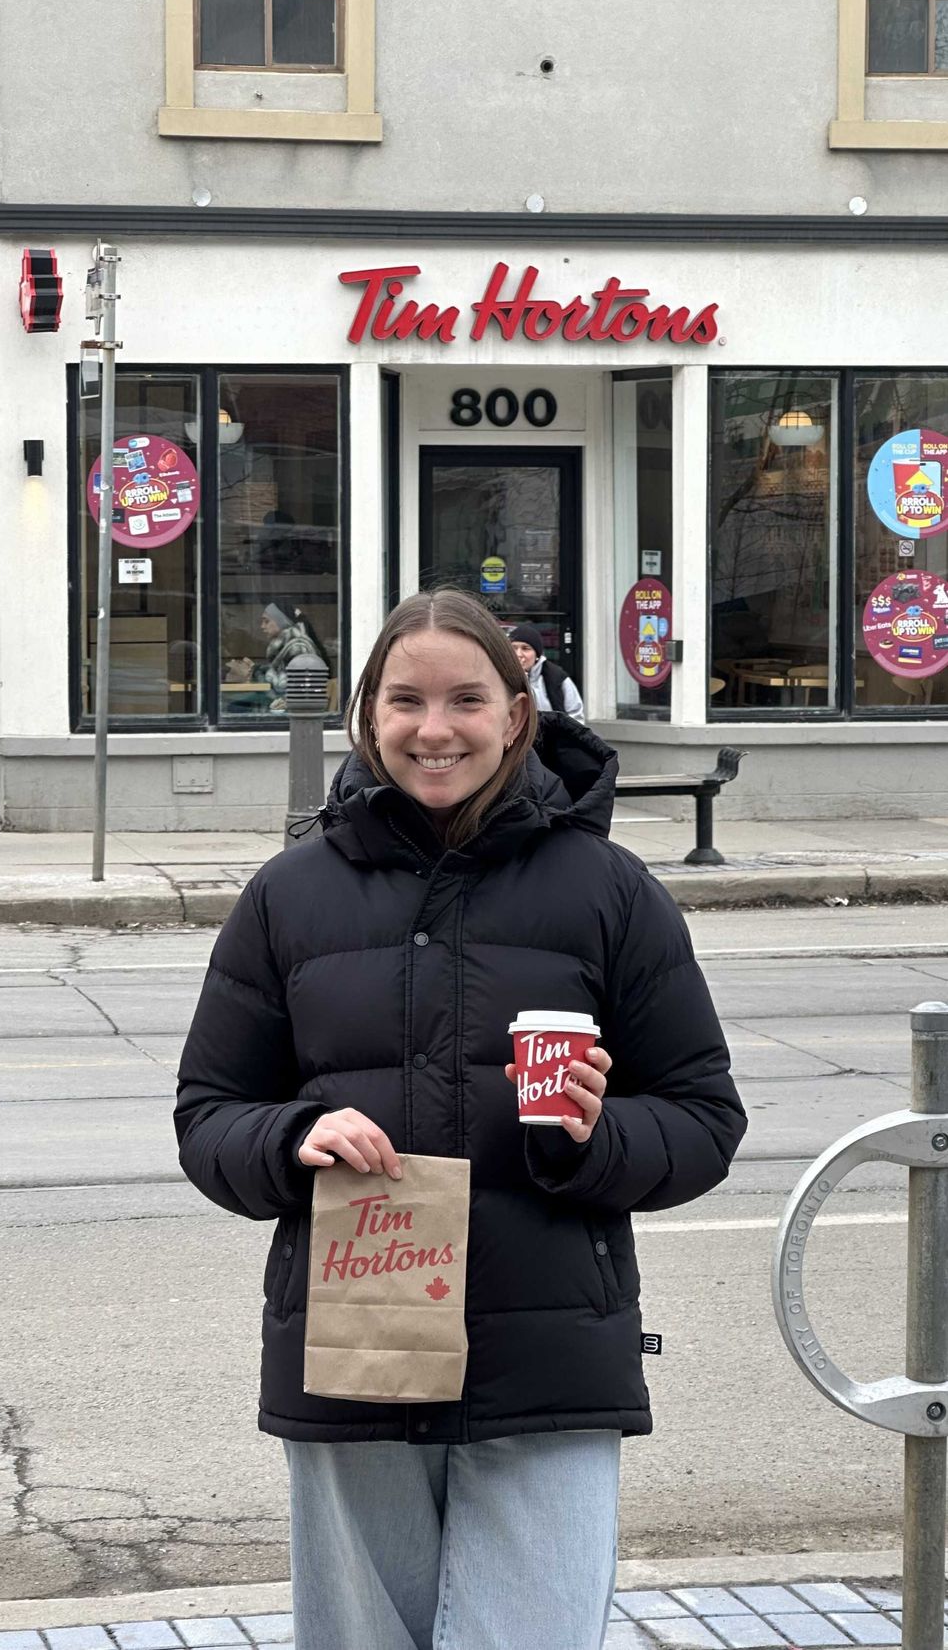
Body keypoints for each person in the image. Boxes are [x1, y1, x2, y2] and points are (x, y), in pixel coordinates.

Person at [174, 586, 746, 1650]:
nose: (432, 729)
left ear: (515, 711)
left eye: (464, 699)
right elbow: (208, 1116)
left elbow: (704, 1116)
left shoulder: (610, 893)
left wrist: (595, 1134)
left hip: (548, 1366)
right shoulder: (287, 897)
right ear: (365, 714)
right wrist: (290, 1136)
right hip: (352, 1354)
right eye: (404, 700)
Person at [508, 621, 585, 722]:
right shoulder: (500, 677)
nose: (518, 654)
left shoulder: (557, 677)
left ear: (537, 655)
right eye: (514, 648)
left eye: (525, 649)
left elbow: (575, 714)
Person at [259, 601, 330, 712]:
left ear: (281, 621)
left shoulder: (298, 648)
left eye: (266, 621)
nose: (262, 626)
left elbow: (303, 691)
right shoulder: (283, 646)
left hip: (294, 713)